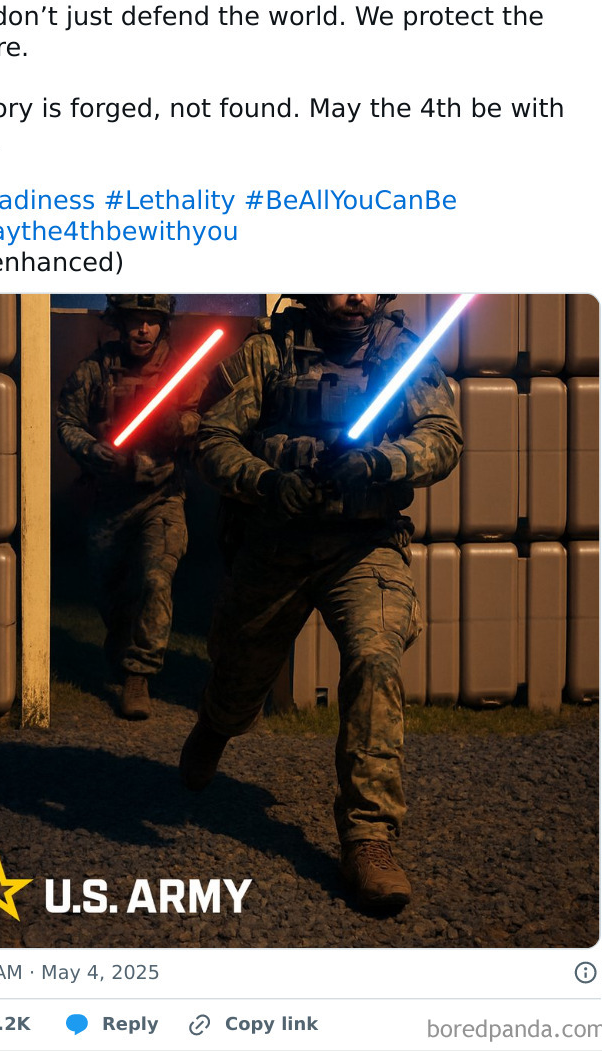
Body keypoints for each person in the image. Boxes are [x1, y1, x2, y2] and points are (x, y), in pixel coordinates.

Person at [180, 294, 463, 910]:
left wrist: (382, 463)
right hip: (275, 541)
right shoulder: (266, 351)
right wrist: (264, 480)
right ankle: (217, 724)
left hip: (364, 546)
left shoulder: (399, 353)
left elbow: (443, 438)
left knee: (375, 659)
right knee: (238, 677)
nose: (355, 296)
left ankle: (369, 835)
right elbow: (213, 439)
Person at [56, 295, 204, 720]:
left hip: (162, 495)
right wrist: (90, 450)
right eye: (135, 321)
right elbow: (67, 419)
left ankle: (139, 675)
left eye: (151, 322)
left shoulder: (182, 373)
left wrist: (180, 425)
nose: (143, 330)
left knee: (157, 579)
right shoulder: (96, 369)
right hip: (109, 499)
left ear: (163, 326)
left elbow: (206, 420)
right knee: (111, 592)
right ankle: (121, 640)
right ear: (120, 324)